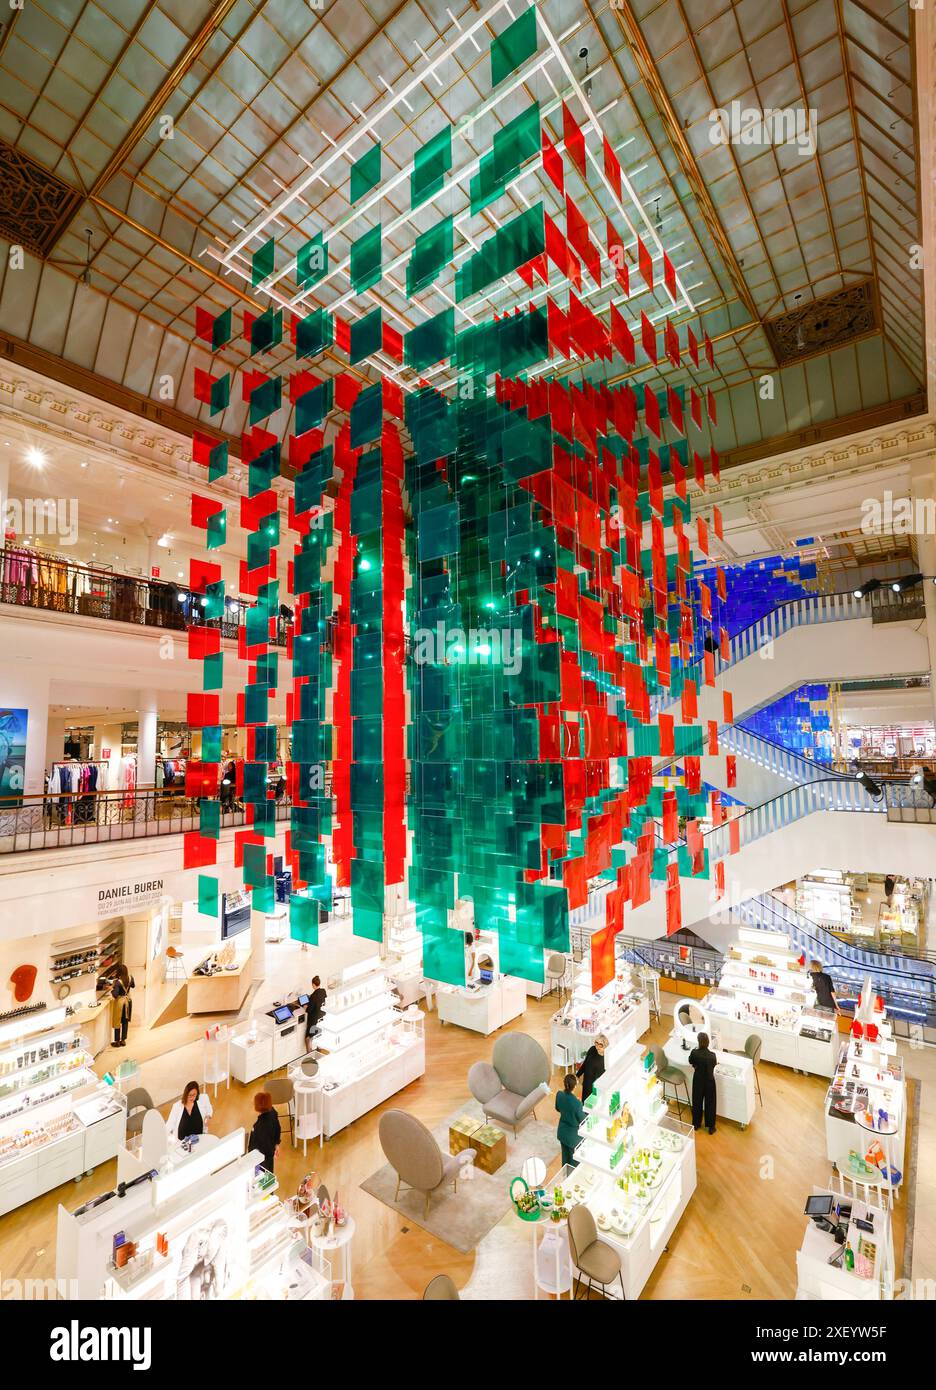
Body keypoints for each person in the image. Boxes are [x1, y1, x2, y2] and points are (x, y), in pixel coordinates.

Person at [688, 1031, 718, 1134]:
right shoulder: (712, 1056)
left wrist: (695, 1065)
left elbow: (690, 1060)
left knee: (697, 1102)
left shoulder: (694, 1053)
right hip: (709, 1082)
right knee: (710, 1103)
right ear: (708, 1042)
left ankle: (696, 1124)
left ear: (699, 1042)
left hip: (698, 1080)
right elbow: (713, 1065)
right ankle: (711, 1127)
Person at [555, 1072, 585, 1168]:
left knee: (565, 1160)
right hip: (574, 1137)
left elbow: (558, 1108)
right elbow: (582, 1120)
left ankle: (564, 1177)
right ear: (575, 1086)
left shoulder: (559, 1095)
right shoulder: (577, 1103)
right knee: (574, 1164)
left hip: (562, 1132)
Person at [249, 1091, 281, 1174]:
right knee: (269, 1171)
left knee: (262, 1175)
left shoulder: (259, 1127)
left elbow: (255, 1146)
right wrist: (276, 1144)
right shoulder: (273, 1112)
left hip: (261, 1157)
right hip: (270, 1151)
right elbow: (278, 1128)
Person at [576, 1034, 608, 1106]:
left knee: (593, 1106)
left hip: (596, 1088)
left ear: (605, 1046)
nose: (597, 1046)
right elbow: (585, 1064)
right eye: (596, 1043)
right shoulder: (592, 1049)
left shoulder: (606, 1059)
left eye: (600, 1045)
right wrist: (577, 1075)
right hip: (586, 1083)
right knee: (584, 1103)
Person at [109, 963, 134, 1047]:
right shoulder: (130, 978)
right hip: (128, 1002)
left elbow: (115, 995)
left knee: (117, 1022)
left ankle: (117, 1042)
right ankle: (123, 1040)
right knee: (125, 1021)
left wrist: (111, 989)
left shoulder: (118, 982)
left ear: (118, 972)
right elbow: (133, 986)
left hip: (120, 1004)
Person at [305, 975, 327, 1045]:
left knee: (308, 1038)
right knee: (315, 1036)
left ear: (313, 984)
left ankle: (309, 1054)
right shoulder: (323, 991)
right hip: (320, 1017)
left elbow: (309, 1010)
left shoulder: (313, 996)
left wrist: (305, 1007)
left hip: (313, 1020)